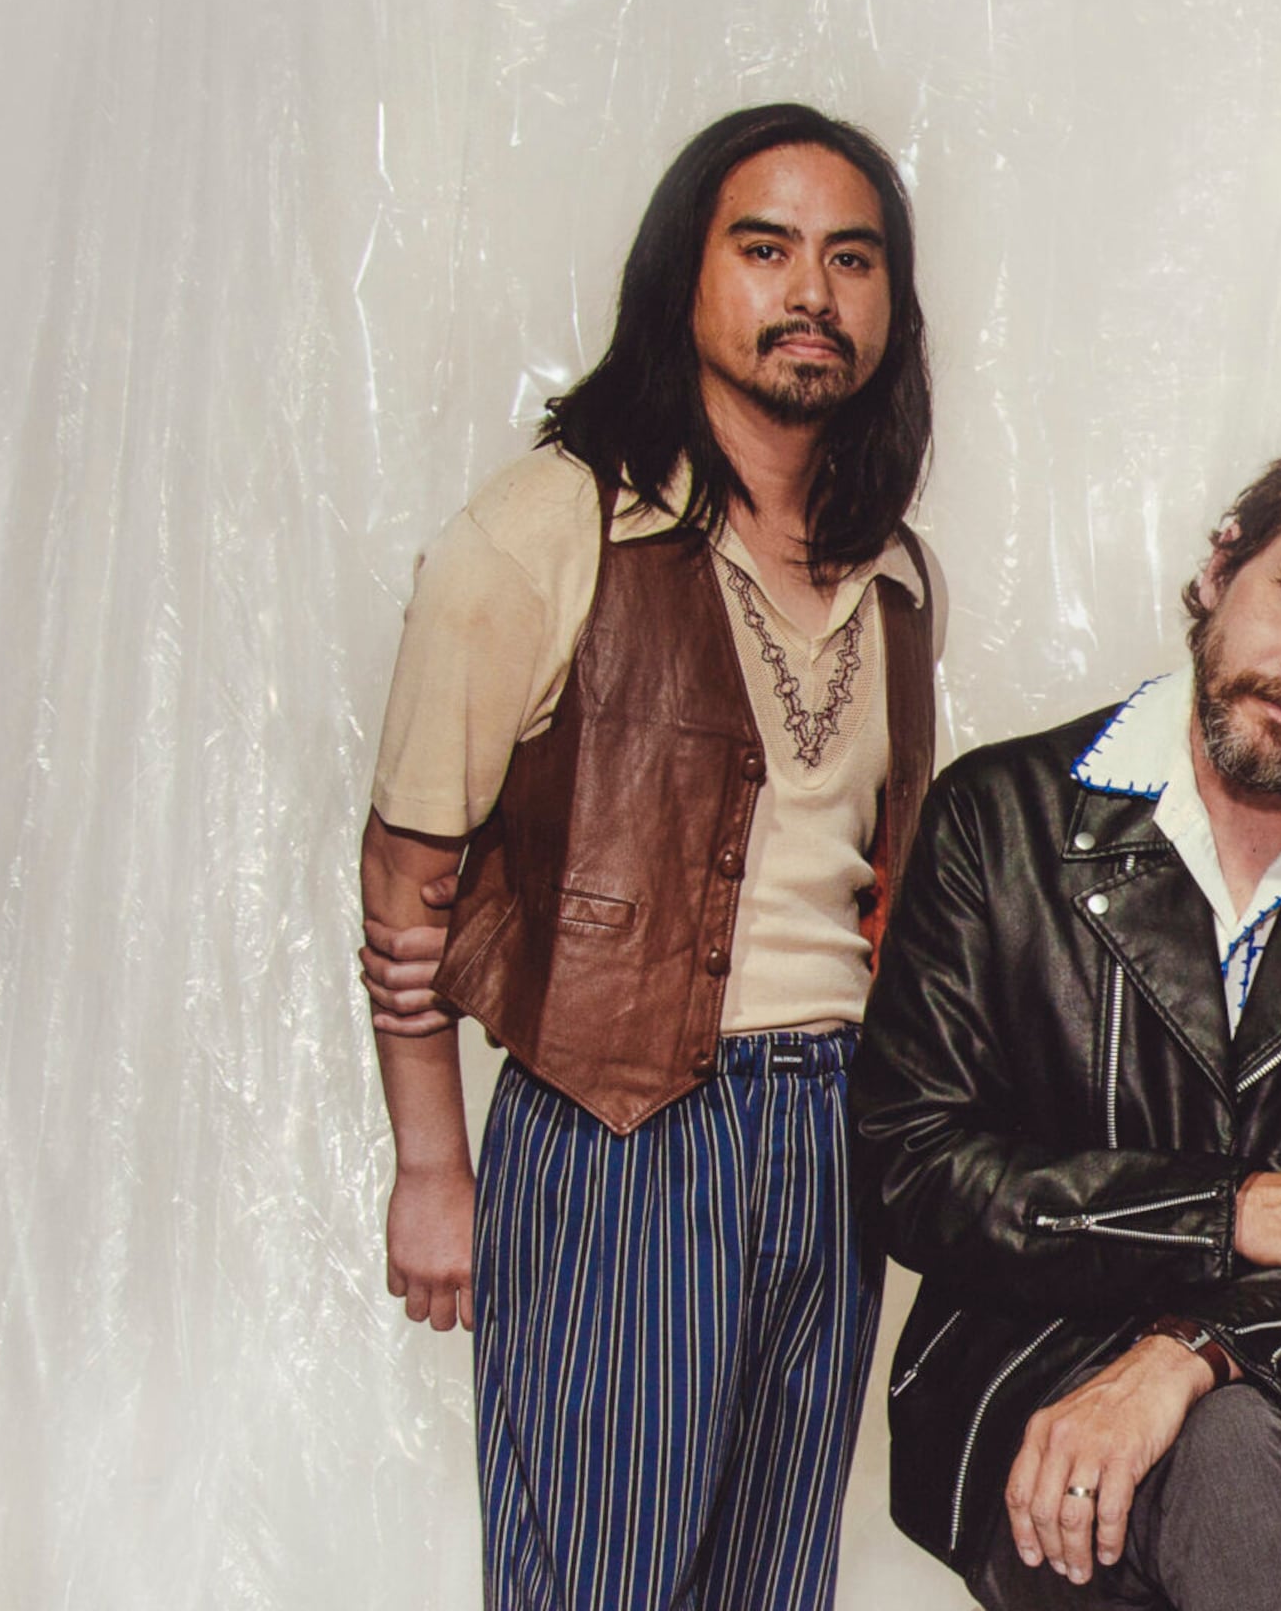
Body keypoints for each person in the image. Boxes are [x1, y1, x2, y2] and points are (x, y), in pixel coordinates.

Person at [353, 102, 941, 1610]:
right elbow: (408, 876)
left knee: (771, 1588)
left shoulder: (894, 578)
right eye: (768, 248)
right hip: (623, 1138)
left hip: (833, 1140)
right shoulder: (544, 531)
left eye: (853, 259)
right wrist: (435, 1163)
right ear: (686, 275)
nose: (813, 291)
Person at [853, 437, 1281, 1611]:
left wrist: (1188, 1357)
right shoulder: (1001, 816)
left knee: (1231, 1446)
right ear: (1222, 566)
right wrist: (1237, 1213)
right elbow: (917, 1169)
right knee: (1148, 1485)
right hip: (1031, 1367)